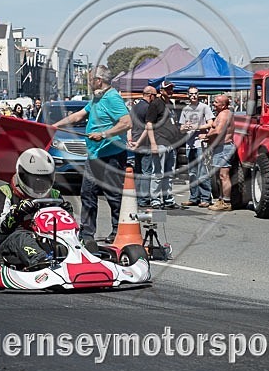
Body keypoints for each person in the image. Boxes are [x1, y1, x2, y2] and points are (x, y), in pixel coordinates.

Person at [54, 65, 131, 243]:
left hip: (111, 154)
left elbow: (127, 122)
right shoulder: (97, 98)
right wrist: (55, 126)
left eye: (90, 79)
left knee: (113, 194)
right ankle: (87, 234)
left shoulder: (112, 98)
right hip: (94, 154)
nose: (88, 82)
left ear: (98, 80)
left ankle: (118, 231)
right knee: (87, 193)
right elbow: (78, 115)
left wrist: (104, 134)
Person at [0, 148, 74, 268]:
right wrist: (17, 212)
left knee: (75, 233)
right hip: (12, 243)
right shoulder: (3, 193)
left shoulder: (55, 195)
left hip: (47, 238)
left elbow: (62, 224)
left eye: (44, 179)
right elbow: (0, 230)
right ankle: (41, 261)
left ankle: (84, 255)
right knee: (21, 236)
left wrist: (67, 212)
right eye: (34, 179)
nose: (39, 184)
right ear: (22, 175)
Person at [145, 80, 183, 209]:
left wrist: (182, 129)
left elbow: (172, 124)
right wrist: (153, 144)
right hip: (160, 142)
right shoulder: (156, 104)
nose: (170, 91)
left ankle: (168, 198)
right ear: (161, 91)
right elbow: (149, 124)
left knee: (169, 173)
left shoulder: (170, 105)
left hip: (171, 144)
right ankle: (155, 199)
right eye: (168, 89)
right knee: (158, 173)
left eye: (171, 89)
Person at [180, 86, 215, 207]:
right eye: (191, 94)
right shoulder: (185, 109)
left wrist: (197, 128)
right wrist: (184, 128)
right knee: (192, 173)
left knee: (202, 172)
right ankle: (194, 197)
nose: (193, 96)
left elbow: (210, 124)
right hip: (190, 144)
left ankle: (206, 197)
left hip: (201, 144)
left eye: (195, 93)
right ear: (188, 95)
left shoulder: (204, 107)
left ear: (198, 94)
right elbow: (181, 128)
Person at [200, 95, 235, 211]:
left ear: (223, 105)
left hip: (224, 148)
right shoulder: (221, 114)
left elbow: (218, 131)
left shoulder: (224, 114)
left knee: (224, 175)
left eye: (216, 102)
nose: (213, 104)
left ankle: (226, 202)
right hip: (220, 148)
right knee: (219, 176)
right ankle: (221, 199)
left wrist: (206, 135)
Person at [128, 86, 156, 207]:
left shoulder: (135, 107)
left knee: (139, 171)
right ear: (150, 95)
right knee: (146, 172)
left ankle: (138, 197)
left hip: (135, 141)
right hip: (144, 143)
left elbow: (129, 124)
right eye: (155, 95)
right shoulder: (149, 108)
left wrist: (130, 139)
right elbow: (148, 127)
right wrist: (139, 142)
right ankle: (144, 198)